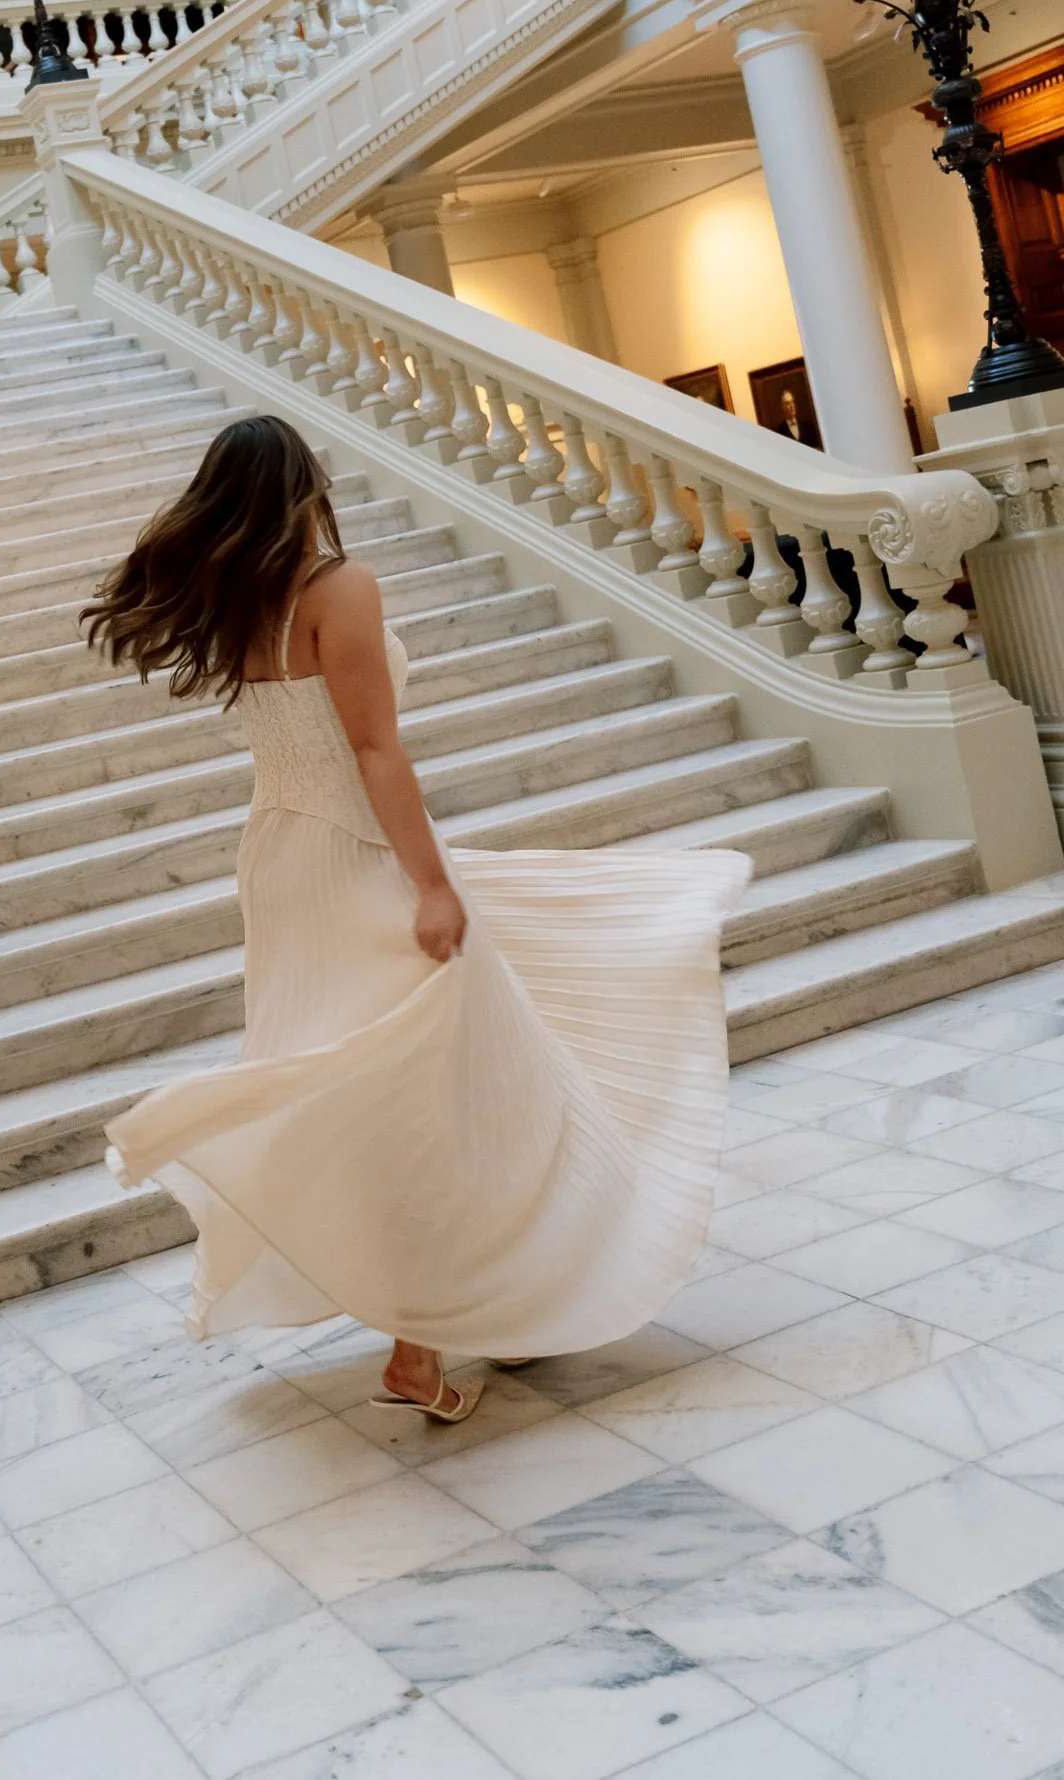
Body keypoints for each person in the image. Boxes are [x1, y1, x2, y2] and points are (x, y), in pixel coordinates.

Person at [88, 416, 745, 1420]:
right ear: (303, 484)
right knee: (437, 1086)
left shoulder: (237, 596)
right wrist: (433, 886)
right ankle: (441, 1319)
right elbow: (373, 752)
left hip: (279, 857)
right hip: (350, 858)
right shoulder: (333, 587)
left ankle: (441, 1323)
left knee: (393, 1083)